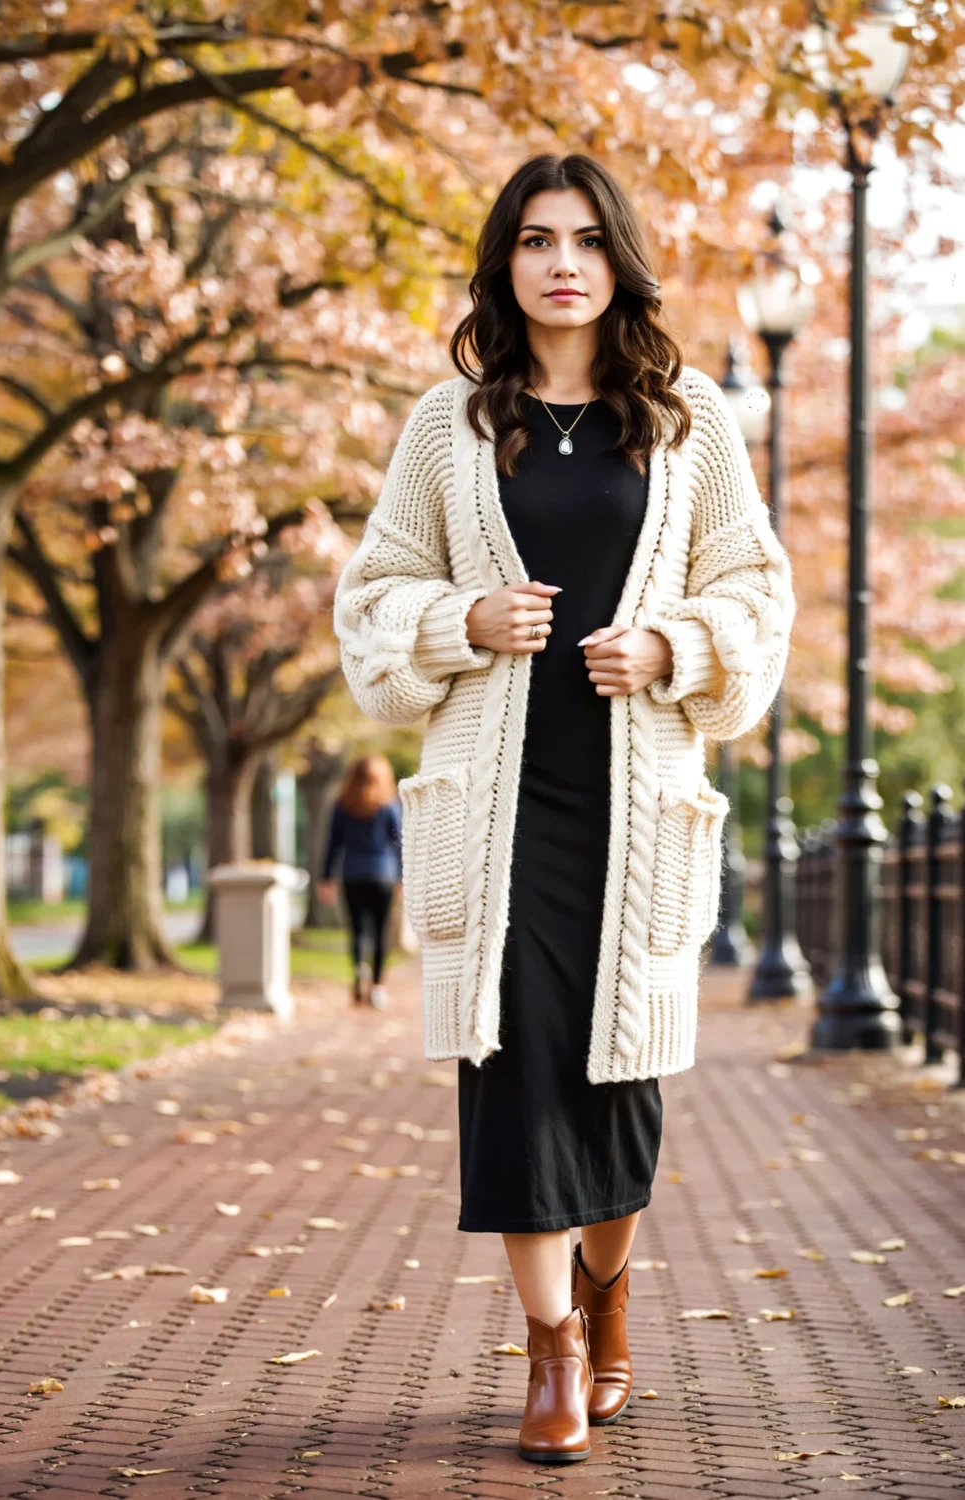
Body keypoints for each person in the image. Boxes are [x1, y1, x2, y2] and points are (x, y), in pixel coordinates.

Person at [334, 154, 795, 1462]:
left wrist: (671, 647)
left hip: (635, 806)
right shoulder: (450, 425)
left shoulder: (690, 420)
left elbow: (756, 591)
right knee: (512, 1071)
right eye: (537, 240)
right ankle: (549, 1352)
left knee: (619, 1078)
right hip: (500, 809)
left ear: (618, 261)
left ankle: (607, 1295)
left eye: (587, 240)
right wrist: (460, 619)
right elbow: (372, 600)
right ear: (507, 262)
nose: (562, 264)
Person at [318, 755, 402, 1009]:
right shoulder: (388, 805)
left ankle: (359, 968)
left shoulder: (342, 805)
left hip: (352, 873)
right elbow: (399, 843)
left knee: (357, 930)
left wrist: (325, 878)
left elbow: (333, 844)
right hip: (383, 874)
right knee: (380, 931)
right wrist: (402, 877)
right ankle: (377, 987)